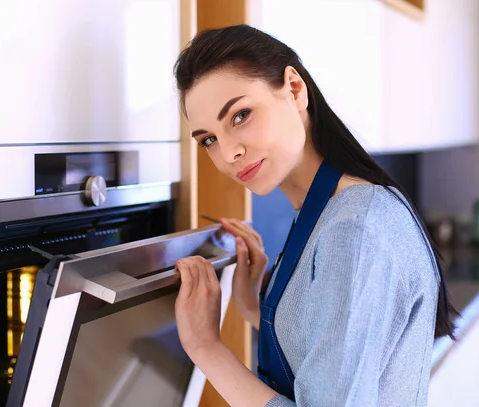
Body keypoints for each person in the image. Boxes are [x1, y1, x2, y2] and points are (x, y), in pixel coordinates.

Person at [172, 24, 457, 407]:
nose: (227, 153)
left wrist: (205, 346)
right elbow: (331, 355)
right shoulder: (326, 209)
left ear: (294, 89)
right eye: (209, 139)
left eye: (240, 116)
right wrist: (251, 304)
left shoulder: (354, 227)